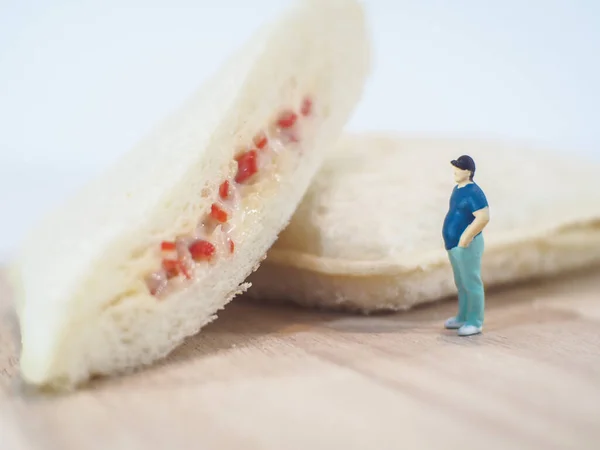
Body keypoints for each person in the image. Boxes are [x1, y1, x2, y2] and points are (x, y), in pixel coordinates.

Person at [442, 155, 490, 336]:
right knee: (461, 283)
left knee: (472, 282)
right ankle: (462, 316)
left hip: (467, 244)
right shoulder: (457, 188)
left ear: (468, 172)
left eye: (459, 168)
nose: (455, 170)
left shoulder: (474, 192)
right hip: (453, 244)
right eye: (454, 167)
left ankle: (475, 321)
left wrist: (465, 238)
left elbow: (483, 217)